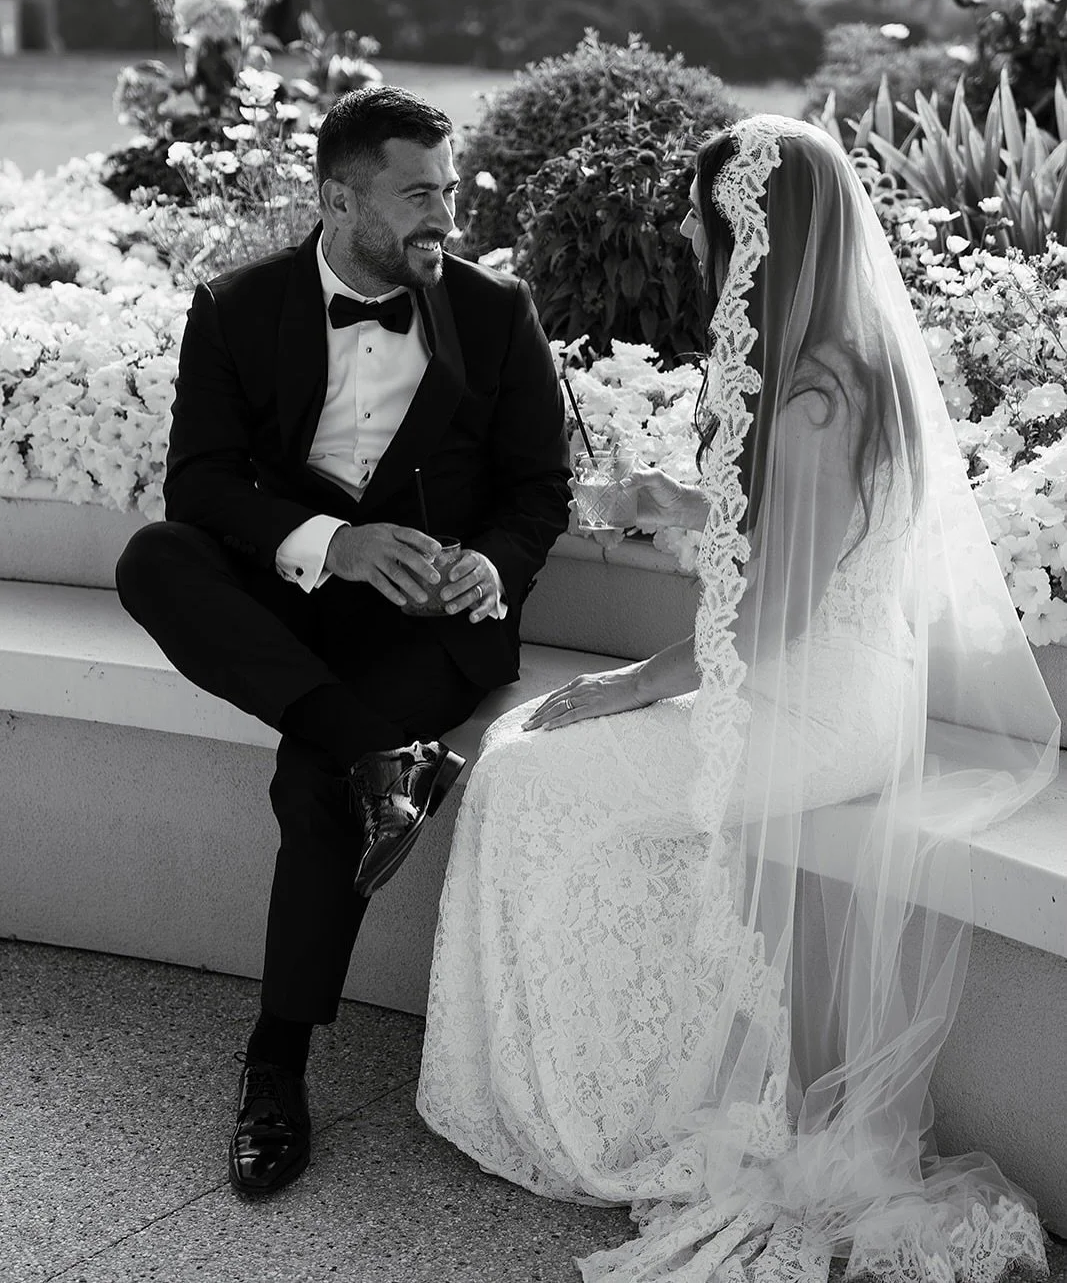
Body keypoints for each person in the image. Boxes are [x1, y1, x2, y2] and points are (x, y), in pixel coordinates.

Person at [416, 115, 1061, 1282]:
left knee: (522, 778)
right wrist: (673, 499)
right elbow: (789, 549)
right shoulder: (826, 362)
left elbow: (771, 616)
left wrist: (628, 683)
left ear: (755, 236)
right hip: (805, 684)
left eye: (705, 226)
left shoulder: (818, 393)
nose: (690, 245)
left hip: (811, 711)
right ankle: (609, 1074)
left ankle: (607, 1114)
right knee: (520, 762)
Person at [115, 86, 572, 1197]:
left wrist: (488, 566)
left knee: (311, 778)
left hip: (430, 624)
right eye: (418, 195)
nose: (443, 218)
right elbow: (203, 483)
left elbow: (535, 491)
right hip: (297, 588)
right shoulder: (235, 307)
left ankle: (276, 1062)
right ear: (337, 198)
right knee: (154, 559)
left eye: (449, 193)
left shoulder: (493, 310)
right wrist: (332, 541)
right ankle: (389, 758)